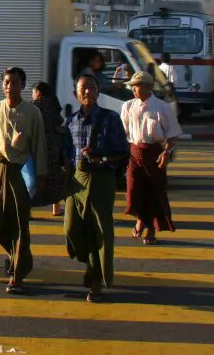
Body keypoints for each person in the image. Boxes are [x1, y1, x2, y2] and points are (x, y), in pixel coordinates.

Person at [0, 67, 47, 294]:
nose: (10, 87)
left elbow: (39, 145)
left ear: (23, 85)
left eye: (15, 83)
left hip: (21, 170)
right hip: (0, 169)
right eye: (7, 82)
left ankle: (17, 276)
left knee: (19, 223)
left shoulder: (32, 112)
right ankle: (16, 255)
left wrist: (40, 177)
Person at [62, 74, 128, 302]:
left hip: (102, 178)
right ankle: (88, 262)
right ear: (75, 94)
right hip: (77, 182)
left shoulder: (111, 118)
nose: (88, 92)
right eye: (83, 89)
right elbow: (66, 153)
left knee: (100, 231)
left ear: (98, 91)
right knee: (71, 228)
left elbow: (122, 151)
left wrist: (102, 160)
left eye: (92, 87)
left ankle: (97, 280)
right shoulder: (70, 121)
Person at [120, 71, 182, 245]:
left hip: (154, 153)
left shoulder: (162, 107)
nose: (133, 89)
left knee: (153, 191)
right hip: (134, 152)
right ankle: (140, 219)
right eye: (132, 86)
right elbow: (124, 131)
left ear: (147, 87)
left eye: (137, 85)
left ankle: (150, 229)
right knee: (133, 191)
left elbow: (172, 134)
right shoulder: (128, 106)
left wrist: (166, 152)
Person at [30, 81, 72, 218]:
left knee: (32, 178)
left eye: (33, 93)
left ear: (39, 92)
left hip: (38, 146)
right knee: (54, 175)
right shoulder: (53, 104)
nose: (32, 95)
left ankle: (26, 209)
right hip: (53, 146)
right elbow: (59, 121)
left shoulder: (34, 106)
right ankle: (56, 208)